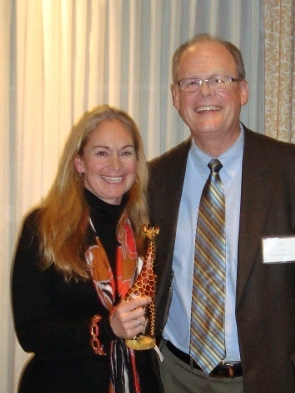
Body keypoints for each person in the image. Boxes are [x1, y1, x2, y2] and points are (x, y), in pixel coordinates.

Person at [148, 33, 295, 393]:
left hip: (265, 378)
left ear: (243, 91)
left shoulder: (287, 169)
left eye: (218, 80)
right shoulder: (154, 179)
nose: (205, 93)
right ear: (175, 96)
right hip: (176, 376)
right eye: (191, 83)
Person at [12, 105, 161, 393]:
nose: (116, 165)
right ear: (79, 162)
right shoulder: (45, 227)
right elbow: (31, 334)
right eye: (102, 153)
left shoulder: (147, 231)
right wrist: (106, 329)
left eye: (126, 152)